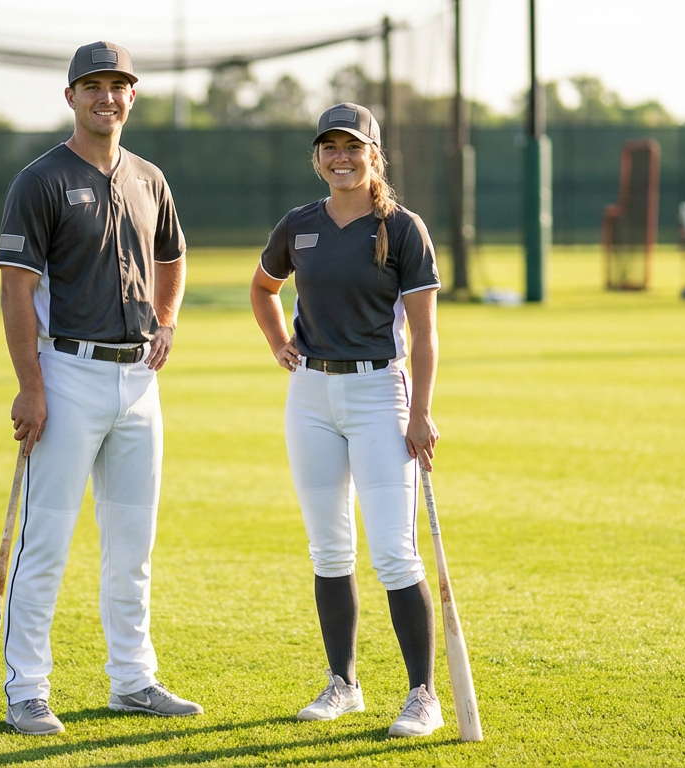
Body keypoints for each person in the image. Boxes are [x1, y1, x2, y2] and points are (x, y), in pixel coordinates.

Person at [0, 40, 201, 736]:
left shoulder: (150, 177)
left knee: (131, 543)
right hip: (67, 372)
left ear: (132, 96)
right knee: (45, 543)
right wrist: (30, 386)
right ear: (71, 97)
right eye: (93, 86)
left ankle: (133, 680)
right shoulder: (39, 180)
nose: (107, 97)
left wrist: (167, 320)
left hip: (140, 378)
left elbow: (173, 258)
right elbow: (16, 290)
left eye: (119, 85)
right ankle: (26, 688)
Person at [249, 103, 444, 738]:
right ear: (318, 157)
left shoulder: (402, 227)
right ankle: (344, 684)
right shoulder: (298, 224)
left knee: (394, 552)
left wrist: (420, 415)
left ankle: (422, 695)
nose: (341, 158)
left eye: (353, 148)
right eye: (329, 148)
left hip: (379, 396)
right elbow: (263, 286)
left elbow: (424, 333)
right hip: (310, 398)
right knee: (329, 549)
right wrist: (280, 342)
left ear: (373, 155)